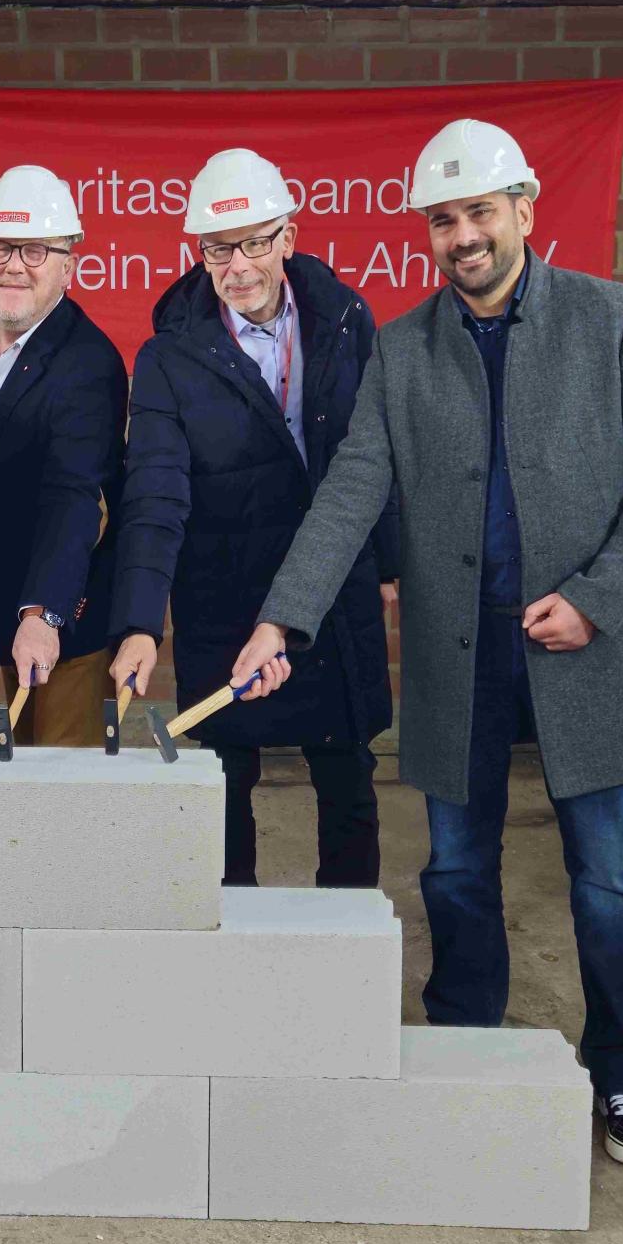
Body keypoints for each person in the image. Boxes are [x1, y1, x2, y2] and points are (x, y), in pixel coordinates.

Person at [230, 119, 623, 1167]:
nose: (460, 236)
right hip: (459, 652)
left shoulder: (607, 320)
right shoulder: (403, 351)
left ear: (524, 210)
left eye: (476, 212)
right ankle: (465, 1046)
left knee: (609, 876)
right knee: (451, 870)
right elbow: (351, 489)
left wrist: (596, 595)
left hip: (586, 646)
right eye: (441, 220)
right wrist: (283, 617)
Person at [110, 148, 398, 888]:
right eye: (217, 248)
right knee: (221, 792)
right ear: (198, 254)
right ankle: (231, 962)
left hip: (332, 590)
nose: (237, 265)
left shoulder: (345, 320)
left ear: (289, 237)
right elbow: (154, 492)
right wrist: (140, 623)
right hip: (224, 602)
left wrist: (389, 564)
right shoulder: (170, 356)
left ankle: (342, 953)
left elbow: (380, 455)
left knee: (347, 783)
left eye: (255, 242)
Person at [0, 165, 127, 745]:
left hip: (66, 618)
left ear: (69, 264)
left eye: (36, 250)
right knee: (20, 779)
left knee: (66, 791)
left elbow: (74, 498)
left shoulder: (89, 364)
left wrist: (44, 615)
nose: (14, 264)